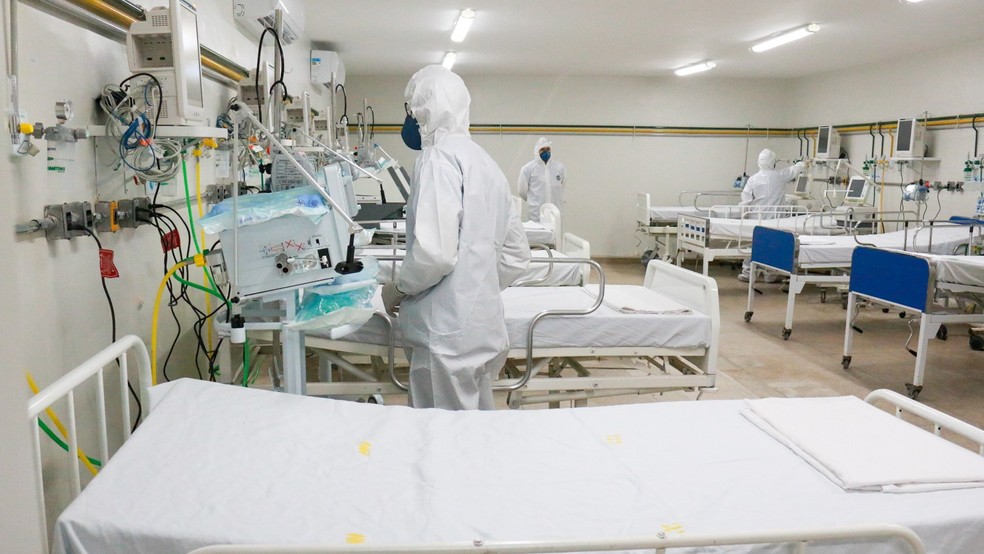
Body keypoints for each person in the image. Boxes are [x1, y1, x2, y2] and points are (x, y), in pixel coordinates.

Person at [380, 65, 530, 410]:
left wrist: (398, 288)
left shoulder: (437, 158)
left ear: (422, 109)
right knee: (474, 427)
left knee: (441, 433)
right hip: (485, 327)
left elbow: (434, 255)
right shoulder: (487, 164)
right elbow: (517, 256)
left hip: (444, 332)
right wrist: (475, 286)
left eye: (410, 110)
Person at [737, 149, 805, 282]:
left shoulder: (752, 180)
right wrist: (803, 163)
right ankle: (770, 275)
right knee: (774, 247)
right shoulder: (780, 176)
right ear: (773, 162)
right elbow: (794, 169)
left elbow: (745, 200)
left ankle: (748, 273)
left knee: (755, 246)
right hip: (776, 221)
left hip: (757, 219)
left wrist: (743, 216)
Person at [517, 137, 566, 222]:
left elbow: (562, 186)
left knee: (556, 230)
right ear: (537, 151)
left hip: (555, 215)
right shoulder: (528, 169)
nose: (546, 152)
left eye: (548, 149)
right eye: (542, 150)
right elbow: (522, 191)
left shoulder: (559, 167)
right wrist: (534, 200)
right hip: (536, 214)